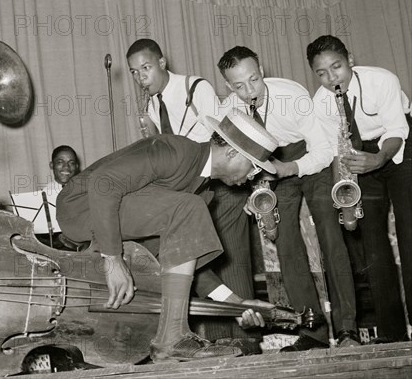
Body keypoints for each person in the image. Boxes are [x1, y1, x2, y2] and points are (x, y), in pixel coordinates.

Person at [56, 108, 279, 362]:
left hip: (110, 216)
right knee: (188, 208)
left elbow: (181, 261)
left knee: (187, 210)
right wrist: (113, 259)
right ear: (232, 152)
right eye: (253, 166)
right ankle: (171, 338)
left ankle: (170, 340)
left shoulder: (202, 191)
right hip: (80, 207)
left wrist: (236, 303)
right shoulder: (176, 152)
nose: (253, 176)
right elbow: (102, 183)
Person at [218, 45, 359, 350]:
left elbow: (322, 151)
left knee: (330, 236)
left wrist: (288, 168)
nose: (249, 91)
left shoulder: (292, 95)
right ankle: (313, 332)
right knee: (287, 247)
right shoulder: (229, 108)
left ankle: (348, 331)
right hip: (271, 168)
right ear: (229, 85)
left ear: (262, 72)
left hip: (309, 160)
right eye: (239, 85)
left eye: (254, 80)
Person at [126, 39, 255, 350]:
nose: (141, 77)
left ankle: (246, 341)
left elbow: (213, 138)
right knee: (193, 258)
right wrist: (153, 139)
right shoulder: (153, 104)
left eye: (145, 68)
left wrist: (168, 146)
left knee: (228, 259)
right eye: (134, 72)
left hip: (220, 183)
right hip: (190, 190)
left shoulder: (196, 88)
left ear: (162, 62)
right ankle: (214, 340)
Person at [308, 35, 411, 342]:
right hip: (359, 155)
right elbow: (335, 149)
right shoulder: (320, 102)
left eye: (336, 67)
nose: (331, 78)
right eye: (321, 73)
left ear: (350, 60)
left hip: (399, 147)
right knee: (373, 245)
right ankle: (392, 333)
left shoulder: (382, 80)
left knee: (409, 234)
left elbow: (397, 131)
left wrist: (378, 159)